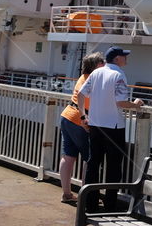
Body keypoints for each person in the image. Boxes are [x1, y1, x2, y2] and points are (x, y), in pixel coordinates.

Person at [76, 45, 145, 212]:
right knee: (114, 168)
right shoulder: (118, 75)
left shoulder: (96, 72)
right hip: (113, 127)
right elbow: (120, 102)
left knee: (94, 164)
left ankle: (89, 204)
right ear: (117, 59)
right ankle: (110, 206)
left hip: (95, 125)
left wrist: (83, 116)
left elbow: (80, 95)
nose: (126, 58)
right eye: (124, 56)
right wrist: (135, 105)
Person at [59, 52, 104, 204]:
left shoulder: (82, 77)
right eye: (101, 63)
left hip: (67, 116)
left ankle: (66, 194)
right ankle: (86, 197)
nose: (104, 65)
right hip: (82, 121)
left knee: (68, 156)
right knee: (89, 159)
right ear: (96, 66)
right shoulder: (93, 79)